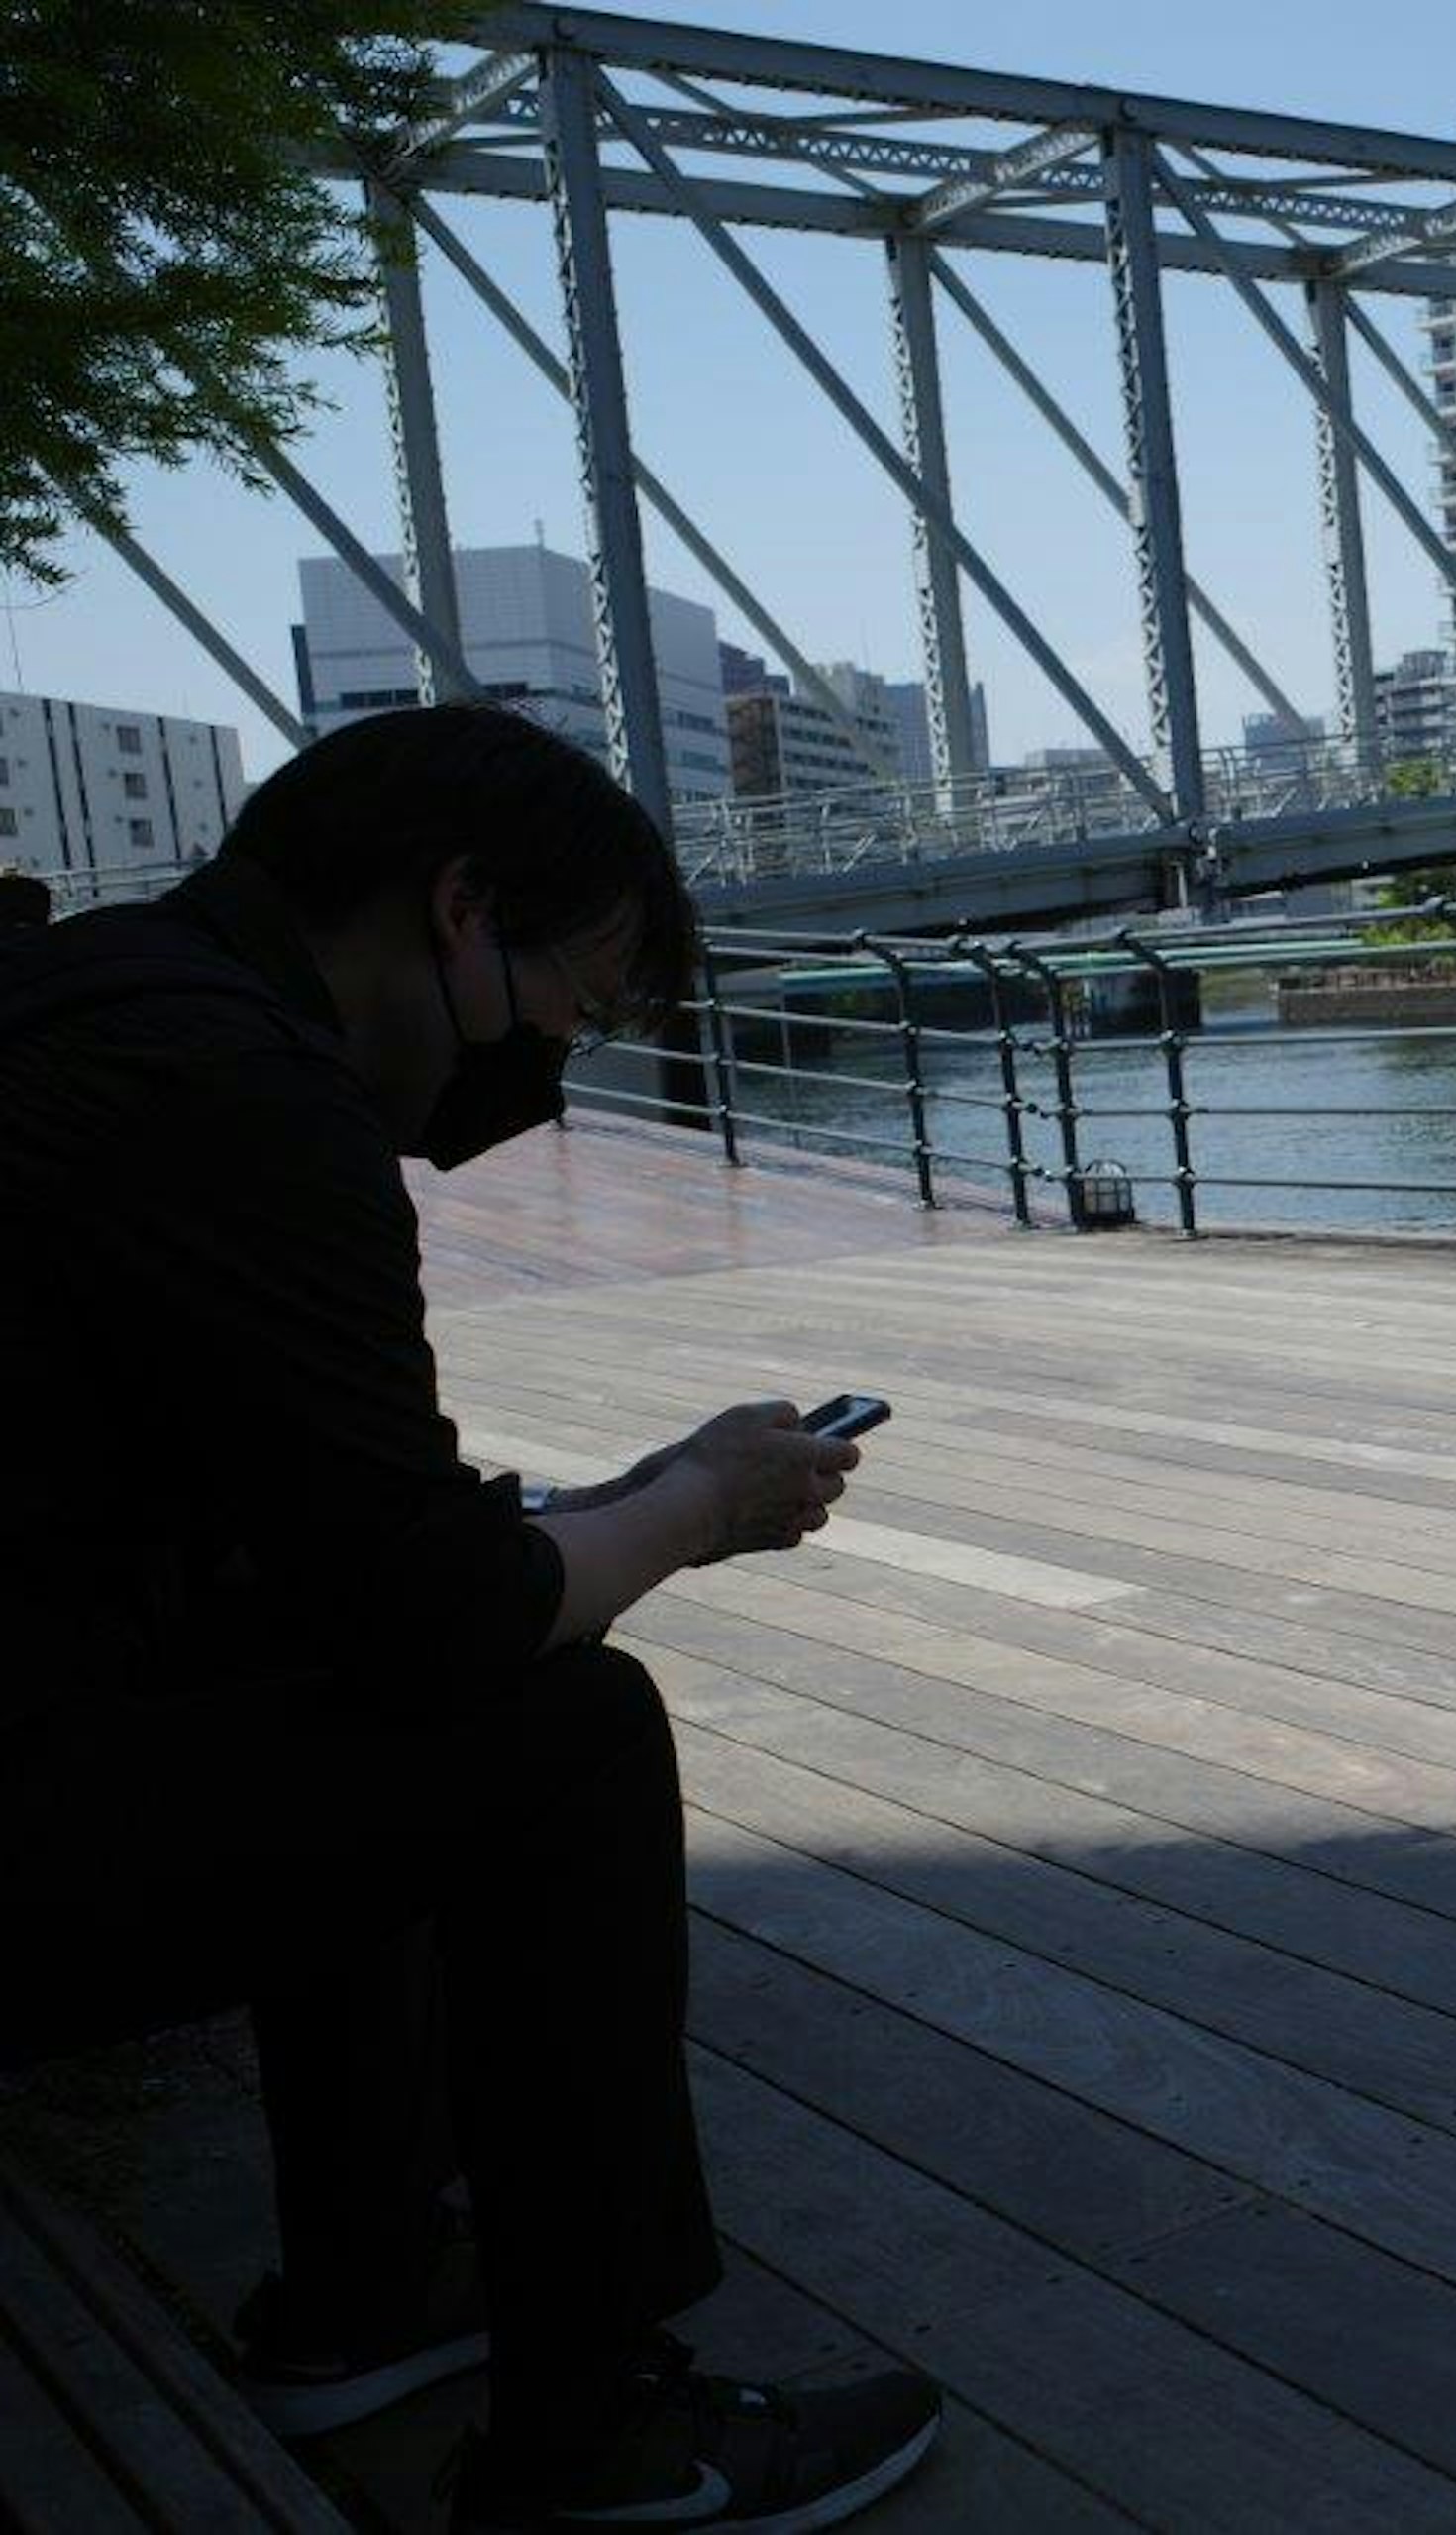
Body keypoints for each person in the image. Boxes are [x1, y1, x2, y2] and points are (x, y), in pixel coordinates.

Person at [0, 706, 942, 2532]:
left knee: (348, 1674)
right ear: (457, 909)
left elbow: (332, 1542)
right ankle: (587, 2441)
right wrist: (692, 1511)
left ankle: (363, 2297)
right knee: (558, 1734)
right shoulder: (246, 1102)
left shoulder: (98, 1005)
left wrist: (595, 1511)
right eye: (571, 1013)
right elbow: (437, 1620)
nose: (550, 1076)